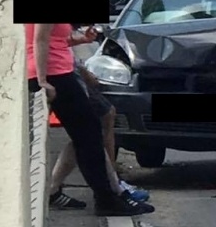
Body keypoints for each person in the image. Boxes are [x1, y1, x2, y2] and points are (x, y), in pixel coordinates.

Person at [28, 22, 154, 216]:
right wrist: (42, 80)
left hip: (57, 71)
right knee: (88, 135)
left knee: (88, 133)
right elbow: (40, 39)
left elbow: (53, 39)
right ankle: (106, 199)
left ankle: (110, 194)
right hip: (55, 74)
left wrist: (82, 39)